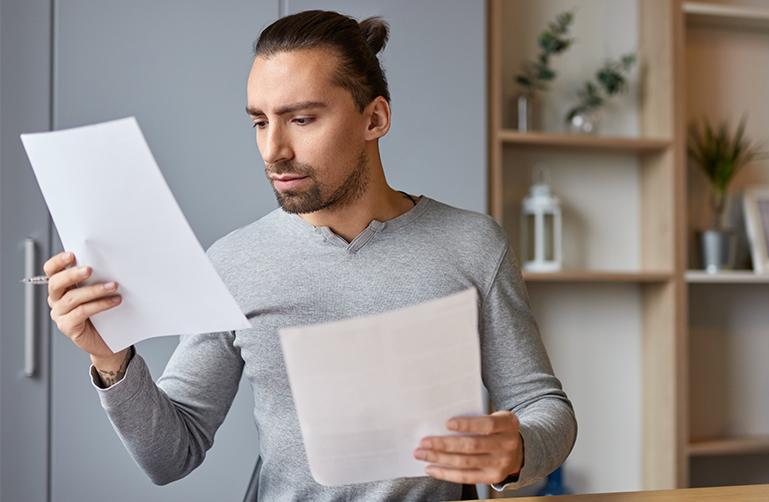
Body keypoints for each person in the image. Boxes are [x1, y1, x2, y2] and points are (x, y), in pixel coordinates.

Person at [41, 9, 577, 501]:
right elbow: (169, 456)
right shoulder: (234, 263)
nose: (274, 150)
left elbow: (545, 407)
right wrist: (110, 359)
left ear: (375, 119)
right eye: (259, 121)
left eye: (301, 119)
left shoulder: (473, 245)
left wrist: (519, 450)